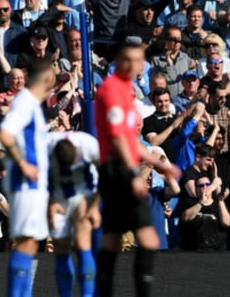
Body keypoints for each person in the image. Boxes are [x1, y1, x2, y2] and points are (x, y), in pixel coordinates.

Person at [94, 37, 181, 297]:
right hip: (117, 172)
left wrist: (159, 164)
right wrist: (133, 173)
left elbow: (131, 140)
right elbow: (119, 138)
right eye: (130, 60)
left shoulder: (124, 92)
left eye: (138, 60)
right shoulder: (112, 91)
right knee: (130, 240)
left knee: (117, 240)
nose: (136, 65)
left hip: (120, 171)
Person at [0, 57, 56, 297]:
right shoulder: (25, 102)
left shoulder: (32, 105)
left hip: (34, 185)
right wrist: (24, 164)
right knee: (25, 243)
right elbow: (5, 132)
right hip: (25, 183)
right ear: (47, 78)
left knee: (30, 243)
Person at [47, 131, 101, 297]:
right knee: (60, 246)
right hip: (58, 193)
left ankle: (87, 294)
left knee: (82, 241)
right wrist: (49, 204)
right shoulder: (44, 145)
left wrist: (95, 207)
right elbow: (37, 178)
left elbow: (108, 173)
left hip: (85, 191)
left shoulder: (90, 145)